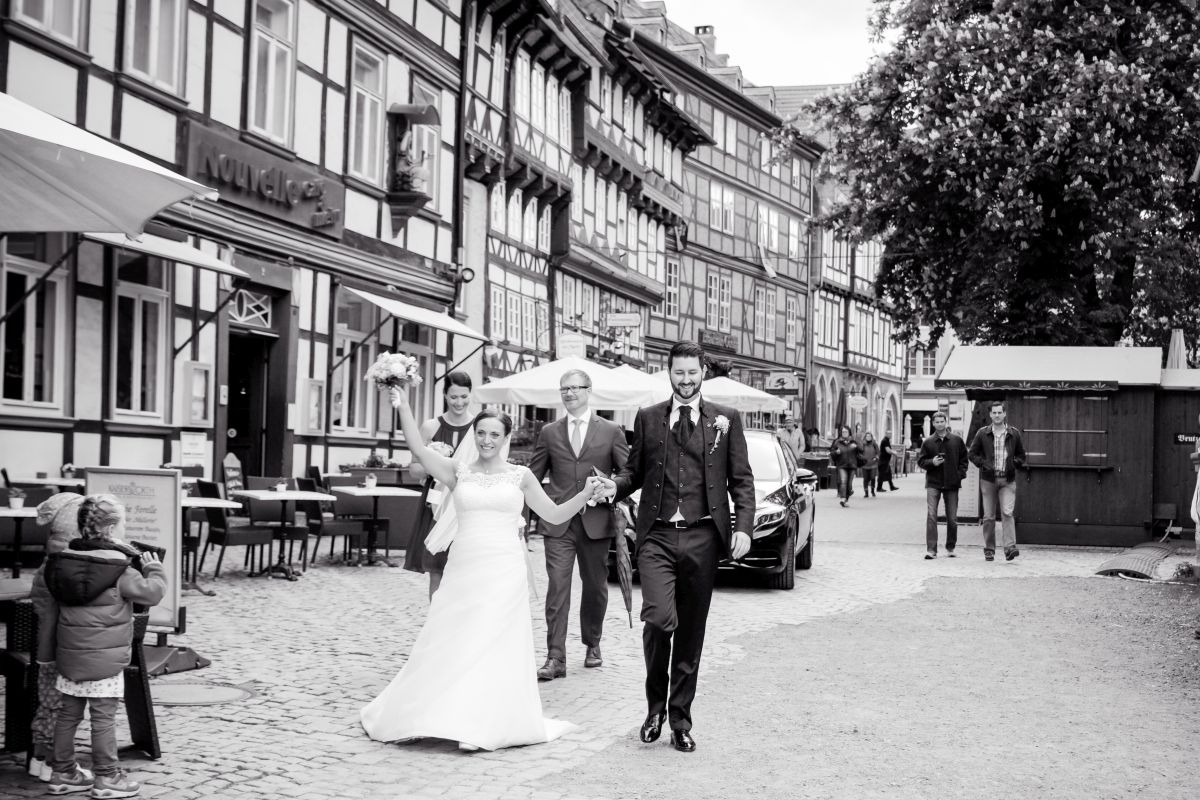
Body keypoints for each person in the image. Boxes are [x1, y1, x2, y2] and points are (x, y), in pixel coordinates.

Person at [361, 386, 607, 751]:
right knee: (455, 635)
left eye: (494, 434)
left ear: (506, 438)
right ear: (473, 436)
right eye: (481, 433)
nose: (487, 440)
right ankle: (438, 711)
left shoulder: (520, 476)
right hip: (464, 566)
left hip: (505, 569)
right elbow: (417, 446)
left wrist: (585, 494)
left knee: (493, 639)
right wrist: (404, 404)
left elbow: (554, 515)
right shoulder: (457, 472)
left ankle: (479, 722)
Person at [598, 341, 754, 754]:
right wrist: (615, 486)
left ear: (703, 371)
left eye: (692, 372)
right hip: (659, 536)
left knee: (690, 632)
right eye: (678, 373)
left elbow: (742, 480)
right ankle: (654, 708)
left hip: (703, 536)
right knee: (659, 619)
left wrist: (745, 528)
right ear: (667, 372)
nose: (685, 380)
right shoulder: (649, 419)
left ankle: (680, 719)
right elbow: (633, 471)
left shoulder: (727, 419)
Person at [44, 494, 167, 798]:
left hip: (69, 656)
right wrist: (155, 569)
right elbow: (152, 594)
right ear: (111, 529)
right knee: (102, 718)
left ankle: (62, 773)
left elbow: (50, 611)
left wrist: (47, 657)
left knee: (67, 715)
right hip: (105, 660)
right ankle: (107, 777)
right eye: (123, 523)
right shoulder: (121, 569)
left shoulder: (63, 563)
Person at [528, 369, 629, 681]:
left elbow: (628, 474)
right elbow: (532, 476)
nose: (569, 393)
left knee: (595, 587)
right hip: (558, 522)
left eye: (575, 388)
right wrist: (522, 518)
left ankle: (593, 642)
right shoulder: (549, 432)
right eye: (564, 389)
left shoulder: (611, 430)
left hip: (596, 523)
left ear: (588, 390)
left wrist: (610, 485)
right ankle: (555, 656)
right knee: (557, 587)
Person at [27, 492, 85, 784]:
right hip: (61, 649)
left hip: (44, 648)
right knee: (63, 708)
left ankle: (38, 759)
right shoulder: (66, 567)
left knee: (47, 703)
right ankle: (54, 763)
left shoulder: (47, 564)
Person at [403, 372, 475, 598]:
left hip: (466, 506)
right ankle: (437, 620)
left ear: (470, 395)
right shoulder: (430, 427)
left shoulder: (478, 428)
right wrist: (433, 463)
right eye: (454, 397)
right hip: (435, 506)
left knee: (465, 566)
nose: (459, 402)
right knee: (436, 567)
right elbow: (413, 469)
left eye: (464, 396)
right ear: (444, 395)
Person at [969, 400, 1027, 562]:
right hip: (988, 480)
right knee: (988, 516)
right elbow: (972, 454)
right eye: (994, 412)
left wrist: (1015, 463)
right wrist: (983, 464)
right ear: (990, 414)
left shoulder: (1014, 433)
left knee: (1007, 513)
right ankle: (989, 549)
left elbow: (1022, 456)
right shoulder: (982, 433)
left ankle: (1010, 548)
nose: (996, 415)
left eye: (999, 412)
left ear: (1004, 413)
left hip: (1008, 480)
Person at [917, 411, 969, 559]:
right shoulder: (928, 442)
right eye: (937, 422)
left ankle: (950, 546)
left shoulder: (956, 440)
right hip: (933, 483)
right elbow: (921, 462)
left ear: (945, 422)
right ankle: (931, 550)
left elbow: (964, 460)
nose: (939, 424)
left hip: (952, 484)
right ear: (933, 424)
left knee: (952, 518)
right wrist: (931, 462)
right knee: (932, 516)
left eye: (941, 421)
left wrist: (959, 475)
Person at [829, 425, 861, 507]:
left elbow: (861, 450)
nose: (844, 433)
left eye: (846, 431)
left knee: (849, 484)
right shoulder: (837, 442)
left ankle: (847, 497)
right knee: (843, 482)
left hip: (852, 465)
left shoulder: (853, 441)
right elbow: (832, 453)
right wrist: (836, 452)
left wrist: (857, 445)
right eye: (843, 432)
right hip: (842, 465)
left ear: (849, 432)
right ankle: (843, 499)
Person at [860, 432, 880, 498]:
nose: (868, 437)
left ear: (871, 437)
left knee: (872, 478)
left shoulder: (874, 444)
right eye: (867, 436)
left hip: (873, 464)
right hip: (865, 464)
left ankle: (872, 490)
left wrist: (876, 458)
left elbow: (878, 453)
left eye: (869, 436)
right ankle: (866, 493)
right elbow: (859, 453)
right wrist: (862, 458)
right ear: (865, 437)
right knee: (865, 479)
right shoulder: (862, 444)